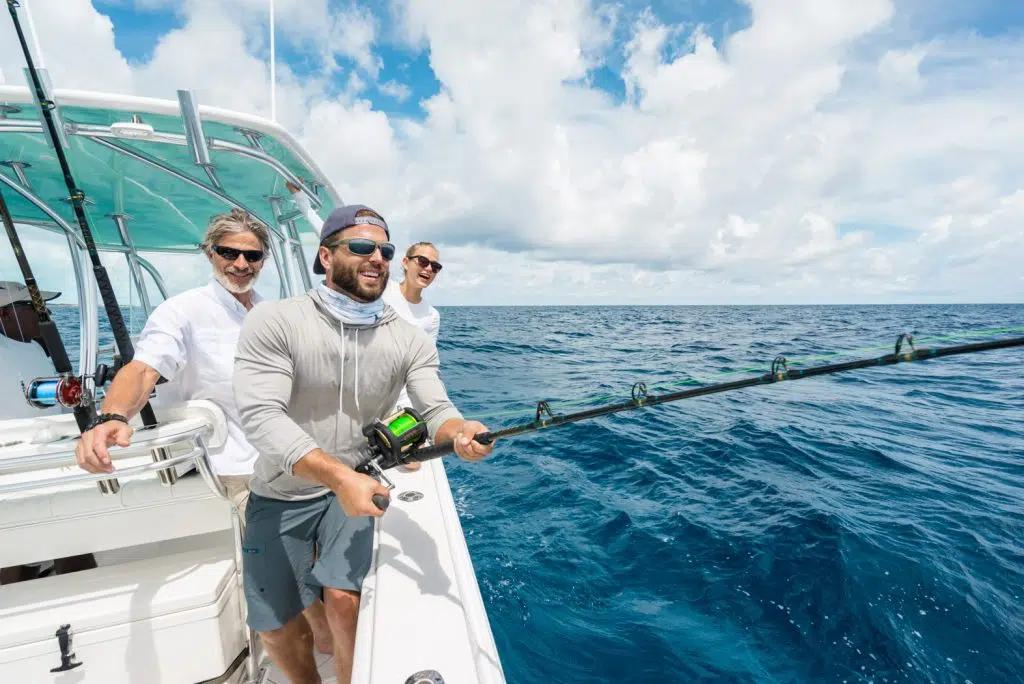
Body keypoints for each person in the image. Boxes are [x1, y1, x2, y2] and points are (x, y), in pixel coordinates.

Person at [232, 203, 493, 684]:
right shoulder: (275, 320)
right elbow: (260, 415)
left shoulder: (410, 338)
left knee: (344, 597)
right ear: (326, 258)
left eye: (385, 249)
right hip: (283, 486)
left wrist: (460, 433)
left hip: (358, 478)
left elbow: (435, 408)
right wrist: (337, 476)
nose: (377, 257)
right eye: (361, 246)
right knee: (273, 626)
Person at [71, 208, 334, 651]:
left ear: (264, 260)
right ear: (209, 253)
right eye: (228, 252)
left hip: (289, 451)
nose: (240, 263)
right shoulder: (183, 312)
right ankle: (324, 643)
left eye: (252, 255)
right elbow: (142, 369)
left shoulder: (274, 314)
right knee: (290, 558)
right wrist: (113, 416)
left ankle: (329, 628)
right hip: (237, 463)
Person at [0, 281, 96, 584]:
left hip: (51, 463)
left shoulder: (37, 350)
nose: (46, 314)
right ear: (4, 315)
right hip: (15, 472)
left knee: (67, 541)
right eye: (32, 307)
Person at [381, 242, 443, 471]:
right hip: (367, 384)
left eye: (435, 266)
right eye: (423, 261)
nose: (428, 269)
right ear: (405, 262)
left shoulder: (432, 316)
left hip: (402, 392)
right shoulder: (381, 292)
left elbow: (426, 365)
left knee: (412, 464)